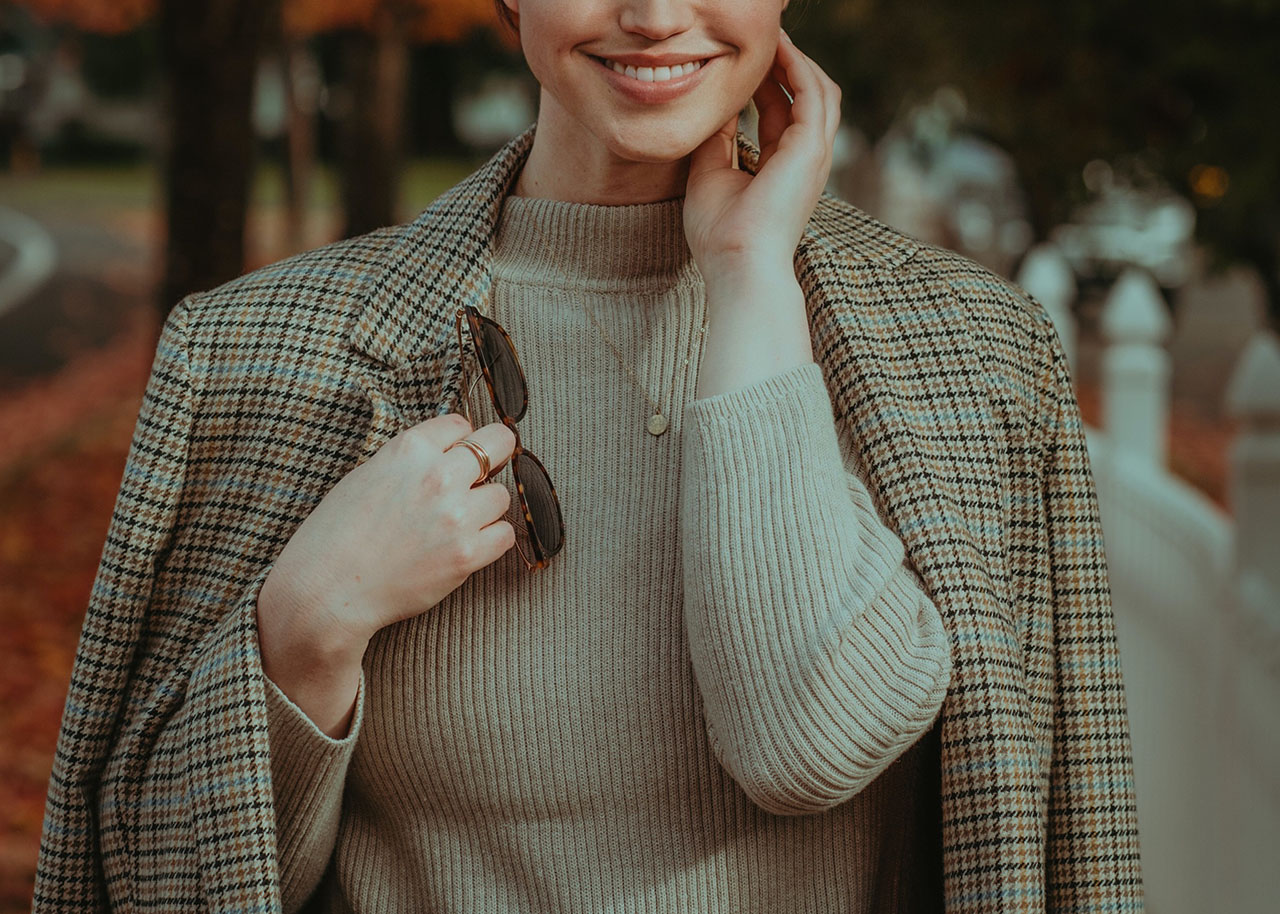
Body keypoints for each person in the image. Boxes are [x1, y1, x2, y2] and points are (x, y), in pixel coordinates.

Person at [35, 0, 1145, 912]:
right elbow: (157, 879)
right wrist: (306, 628)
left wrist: (748, 272)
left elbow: (807, 741)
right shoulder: (250, 357)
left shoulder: (976, 353)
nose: (654, 17)